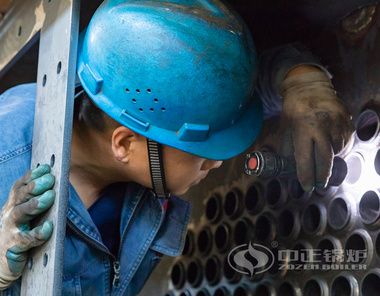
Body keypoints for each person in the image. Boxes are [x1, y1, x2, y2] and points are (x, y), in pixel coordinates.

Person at [0, 0, 351, 295]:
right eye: (202, 155)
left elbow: (212, 101)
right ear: (125, 144)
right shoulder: (8, 161)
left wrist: (298, 78)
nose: (218, 163)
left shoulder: (123, 86)